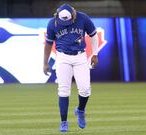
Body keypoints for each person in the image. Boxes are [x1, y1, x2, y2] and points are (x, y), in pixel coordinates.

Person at [43, 3, 99, 132]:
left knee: (85, 89)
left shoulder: (83, 18)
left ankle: (80, 110)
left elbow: (94, 35)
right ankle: (63, 122)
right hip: (62, 57)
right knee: (63, 90)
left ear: (73, 14)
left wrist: (95, 54)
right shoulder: (53, 23)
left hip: (80, 56)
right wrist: (45, 63)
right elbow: (48, 43)